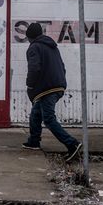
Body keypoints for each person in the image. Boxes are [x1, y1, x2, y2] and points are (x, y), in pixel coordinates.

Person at [22, 22, 82, 162]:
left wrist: (30, 85)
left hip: (46, 88)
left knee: (48, 118)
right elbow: (62, 66)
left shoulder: (34, 47)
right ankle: (34, 141)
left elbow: (34, 68)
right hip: (57, 85)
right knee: (36, 113)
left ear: (30, 37)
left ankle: (72, 144)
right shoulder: (52, 47)